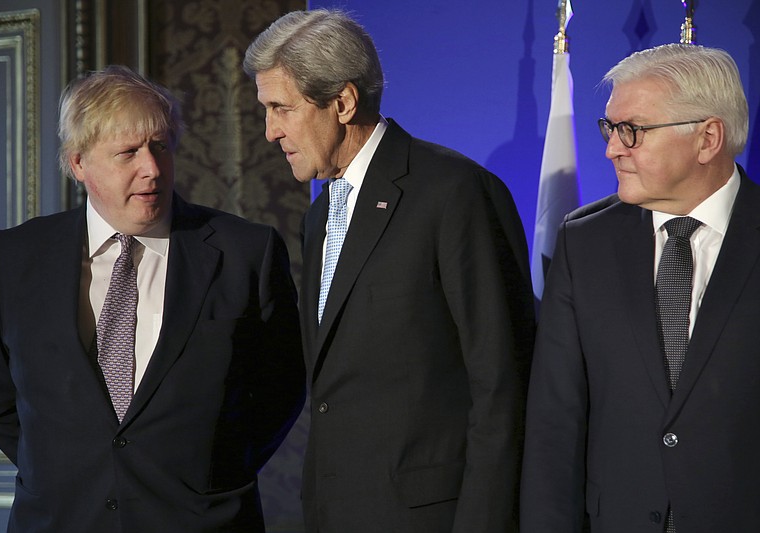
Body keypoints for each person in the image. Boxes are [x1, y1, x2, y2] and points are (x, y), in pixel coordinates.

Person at [0, 65, 305, 532]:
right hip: (60, 520)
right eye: (128, 153)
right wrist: (66, 468)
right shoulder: (14, 256)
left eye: (160, 147)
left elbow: (279, 393)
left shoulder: (245, 251)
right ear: (78, 163)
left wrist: (205, 475)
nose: (151, 169)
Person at [243, 9, 535, 533]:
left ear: (343, 102)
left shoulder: (454, 193)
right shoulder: (320, 214)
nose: (270, 132)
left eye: (280, 109)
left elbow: (502, 382)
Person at [520, 43, 757, 533]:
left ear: (707, 138)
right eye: (610, 128)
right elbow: (555, 424)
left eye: (633, 131)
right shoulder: (583, 241)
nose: (611, 148)